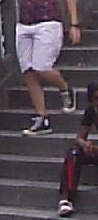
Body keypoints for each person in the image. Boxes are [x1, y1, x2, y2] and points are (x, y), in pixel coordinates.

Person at [1, 0, 81, 135]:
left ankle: (64, 87)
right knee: (27, 70)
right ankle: (41, 115)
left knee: (41, 65)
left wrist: (74, 23)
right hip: (25, 22)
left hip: (48, 20)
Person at [57, 81, 98, 217]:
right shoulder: (92, 111)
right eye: (96, 99)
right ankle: (66, 199)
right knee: (73, 153)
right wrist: (85, 145)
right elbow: (79, 137)